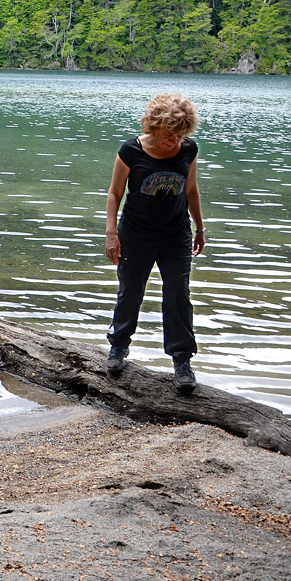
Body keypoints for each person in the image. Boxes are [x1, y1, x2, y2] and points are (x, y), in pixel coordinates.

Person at [104, 93, 206, 391]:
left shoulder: (188, 149)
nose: (174, 142)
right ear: (153, 126)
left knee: (178, 293)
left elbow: (192, 191)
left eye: (180, 136)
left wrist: (200, 228)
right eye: (169, 135)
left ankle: (182, 361)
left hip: (176, 234)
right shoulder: (131, 151)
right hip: (136, 234)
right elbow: (114, 193)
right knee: (131, 290)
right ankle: (118, 346)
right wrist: (112, 234)